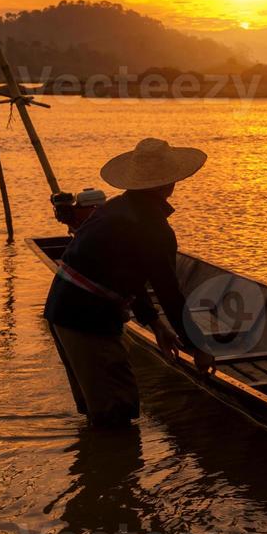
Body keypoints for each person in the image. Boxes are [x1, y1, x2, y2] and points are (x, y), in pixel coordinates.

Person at [44, 138, 216, 427]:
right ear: (171, 183)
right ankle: (113, 467)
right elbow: (170, 294)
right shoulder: (153, 227)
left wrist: (156, 324)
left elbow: (129, 277)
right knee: (116, 409)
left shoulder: (117, 209)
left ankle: (97, 463)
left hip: (66, 310)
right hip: (84, 318)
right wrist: (198, 347)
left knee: (103, 409)